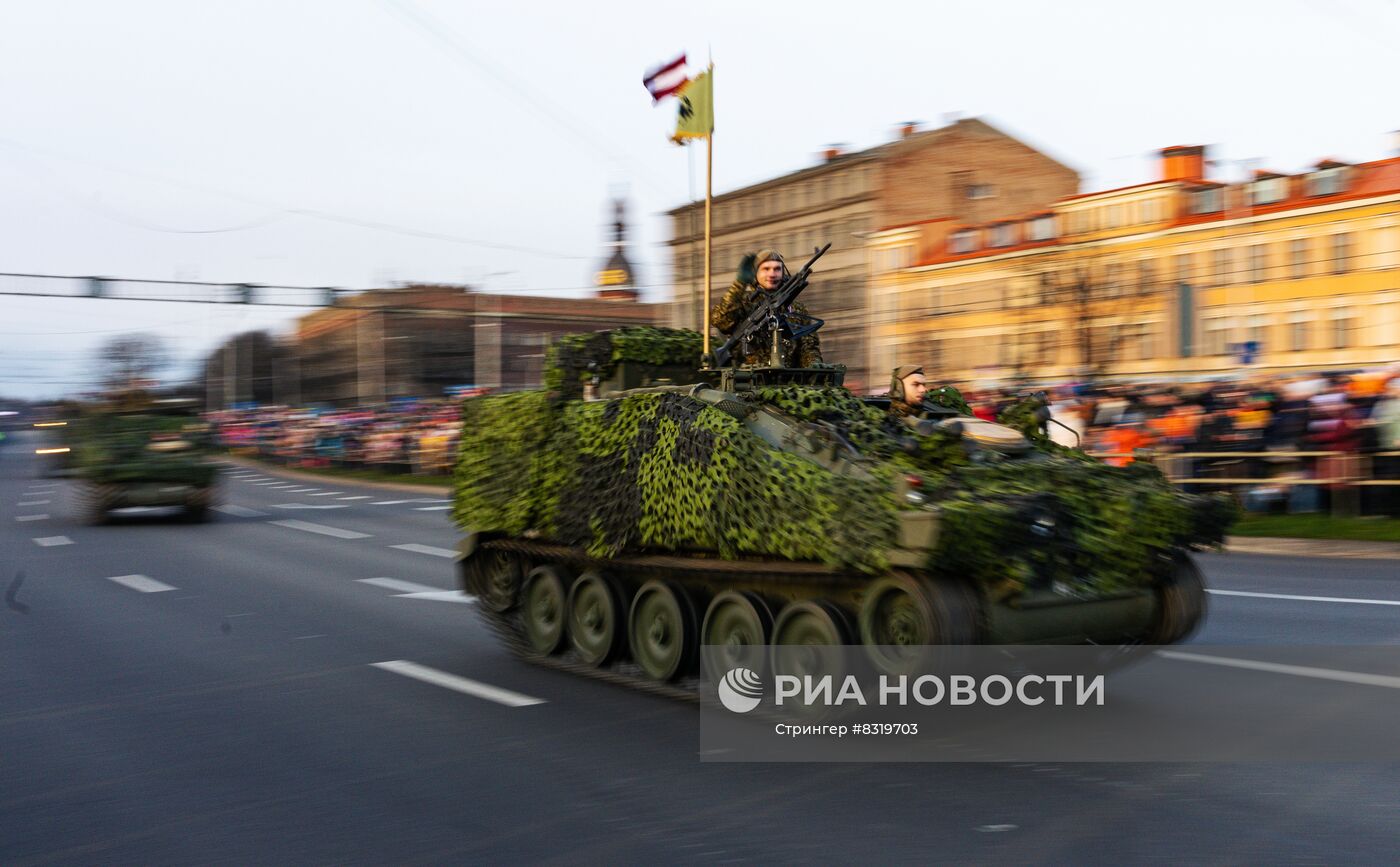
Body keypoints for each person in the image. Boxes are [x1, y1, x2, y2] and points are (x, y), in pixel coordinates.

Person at [710, 249, 823, 367]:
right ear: (755, 273)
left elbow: (809, 346)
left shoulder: (796, 308)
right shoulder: (743, 303)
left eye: (777, 269)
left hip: (788, 380)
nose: (772, 274)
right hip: (748, 379)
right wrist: (739, 284)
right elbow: (720, 320)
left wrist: (814, 364)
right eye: (766, 269)